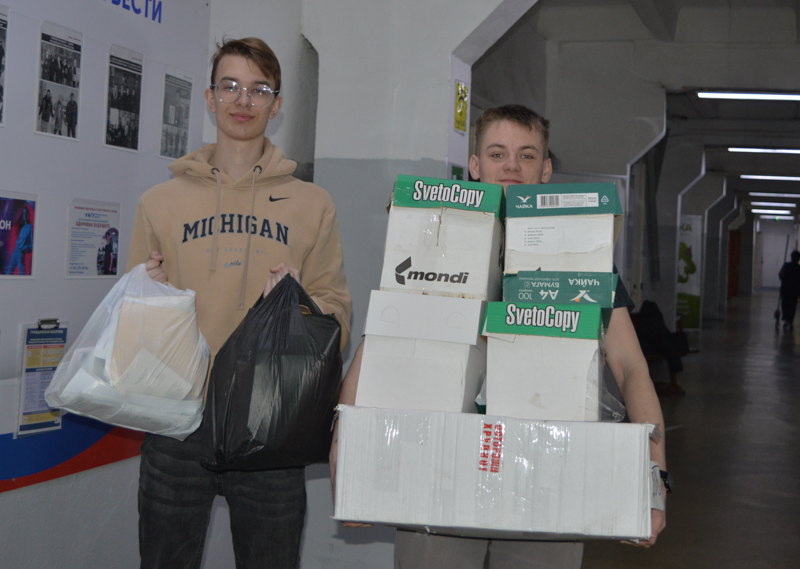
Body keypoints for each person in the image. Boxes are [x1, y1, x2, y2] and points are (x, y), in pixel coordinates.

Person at [330, 105, 667, 569]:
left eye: (527, 155)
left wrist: (655, 478)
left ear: (545, 171)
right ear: (474, 166)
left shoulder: (578, 256)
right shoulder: (437, 242)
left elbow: (630, 366)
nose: (511, 166)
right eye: (497, 153)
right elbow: (382, 340)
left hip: (546, 477)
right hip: (437, 472)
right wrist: (345, 454)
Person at [127, 37, 352, 569]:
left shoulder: (312, 203)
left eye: (259, 89)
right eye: (229, 86)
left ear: (276, 105)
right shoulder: (159, 202)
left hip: (271, 424)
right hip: (177, 419)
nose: (243, 100)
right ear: (209, 98)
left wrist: (299, 306)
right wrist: (146, 288)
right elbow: (131, 315)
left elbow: (337, 312)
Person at [6, 206, 33, 275]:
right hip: (16, 249)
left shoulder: (30, 227)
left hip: (21, 251)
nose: (25, 216)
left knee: (21, 271)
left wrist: (26, 247)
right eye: (23, 214)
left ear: (28, 214)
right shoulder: (21, 226)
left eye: (26, 213)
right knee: (10, 270)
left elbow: (32, 244)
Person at [779, 249, 800, 329]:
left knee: (786, 305)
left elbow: (781, 275)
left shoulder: (786, 265)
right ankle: (788, 321)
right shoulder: (798, 268)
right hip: (793, 290)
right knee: (791, 306)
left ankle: (787, 320)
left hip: (787, 289)